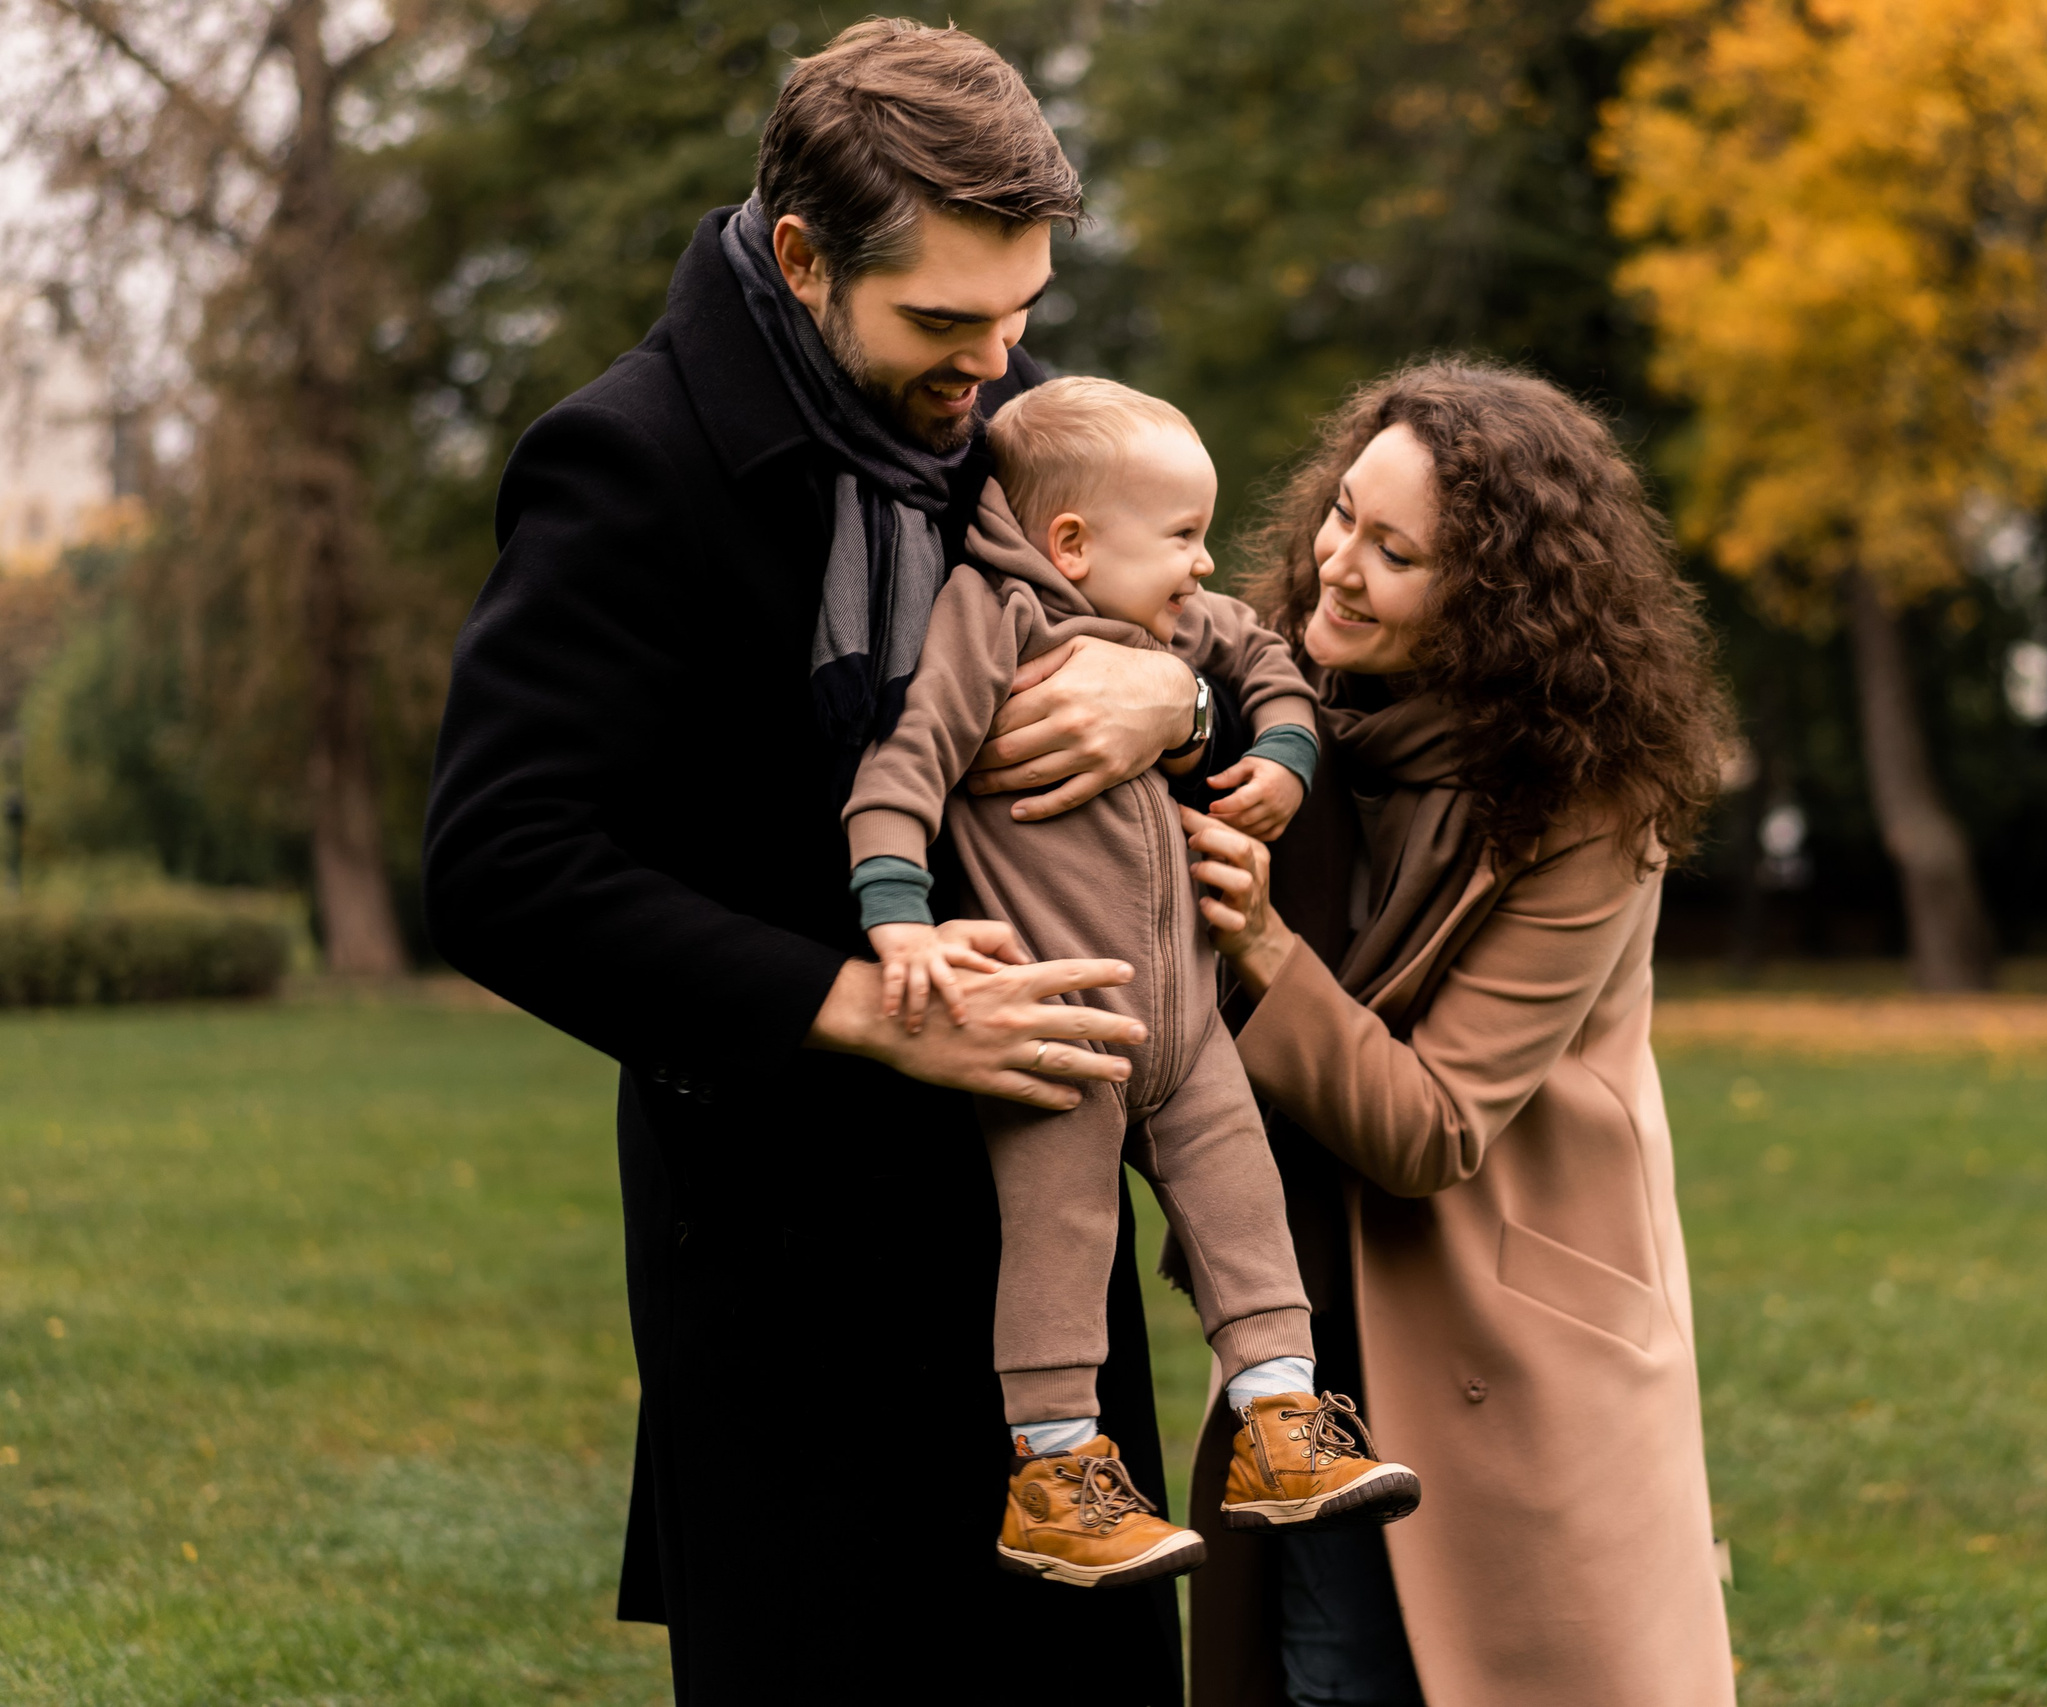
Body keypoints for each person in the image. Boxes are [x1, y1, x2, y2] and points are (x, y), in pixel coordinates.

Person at [424, 22, 1234, 1701]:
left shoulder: (1004, 424)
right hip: (799, 1295)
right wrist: (858, 1007)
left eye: (1020, 316)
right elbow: (500, 861)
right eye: (945, 321)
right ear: (801, 260)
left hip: (1045, 1263)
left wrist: (1174, 688)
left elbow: (1203, 617)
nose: (992, 364)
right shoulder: (627, 468)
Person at [1178, 360, 1741, 1706]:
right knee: (1328, 1677)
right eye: (1342, 518)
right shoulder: (1286, 715)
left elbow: (1431, 1127)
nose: (1340, 566)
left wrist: (1262, 942)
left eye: (1396, 551)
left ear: (1494, 598)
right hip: (1319, 1328)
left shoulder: (1588, 805)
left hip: (1517, 1329)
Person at [840, 376, 1417, 1588]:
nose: (1207, 566)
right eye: (1184, 539)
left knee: (1244, 1213)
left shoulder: (1172, 627)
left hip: (1188, 1022)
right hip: (1064, 1024)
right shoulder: (987, 621)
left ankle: (1281, 1427)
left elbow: (1270, 665)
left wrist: (1280, 758)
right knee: (1060, 1239)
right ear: (1072, 545)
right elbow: (903, 767)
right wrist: (897, 918)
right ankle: (1054, 1474)